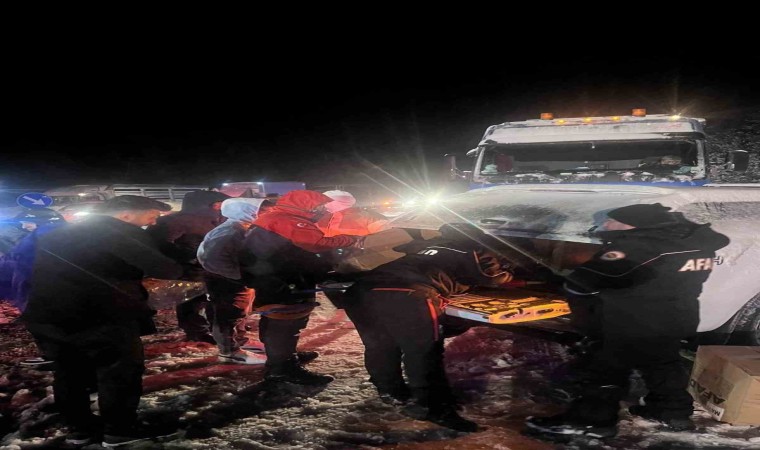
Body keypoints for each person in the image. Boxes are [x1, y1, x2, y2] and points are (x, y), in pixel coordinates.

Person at [526, 203, 730, 438]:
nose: (606, 224)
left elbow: (584, 282)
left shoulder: (636, 248)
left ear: (633, 225)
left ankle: (592, 422)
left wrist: (554, 282)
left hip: (631, 321)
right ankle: (672, 412)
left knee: (605, 370)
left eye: (613, 221)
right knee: (663, 364)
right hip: (677, 317)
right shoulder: (696, 245)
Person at [21, 196, 183, 447]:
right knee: (118, 371)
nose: (153, 221)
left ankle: (79, 430)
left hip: (47, 314)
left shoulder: (59, 232)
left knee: (69, 372)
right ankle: (121, 431)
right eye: (151, 215)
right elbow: (164, 268)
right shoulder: (119, 231)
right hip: (101, 314)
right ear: (126, 215)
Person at [342, 223, 514, 432]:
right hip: (405, 294)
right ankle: (435, 408)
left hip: (360, 292)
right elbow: (490, 277)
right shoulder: (475, 250)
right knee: (424, 353)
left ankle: (391, 392)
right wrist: (510, 274)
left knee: (380, 345)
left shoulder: (431, 244)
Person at [240, 190, 359, 385]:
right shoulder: (289, 221)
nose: (322, 210)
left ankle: (282, 357)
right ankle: (282, 368)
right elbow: (317, 243)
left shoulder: (275, 216)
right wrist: (351, 239)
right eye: (319, 207)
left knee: (277, 319)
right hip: (282, 279)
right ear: (304, 206)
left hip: (270, 276)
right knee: (285, 322)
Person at [147, 190, 231, 344]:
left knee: (214, 300)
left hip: (212, 268)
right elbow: (160, 245)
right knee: (192, 301)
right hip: (190, 270)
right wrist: (190, 256)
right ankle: (196, 331)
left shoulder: (216, 218)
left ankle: (216, 328)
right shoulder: (174, 221)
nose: (221, 207)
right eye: (218, 204)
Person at [197, 198, 272, 365]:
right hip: (227, 281)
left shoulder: (242, 227)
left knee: (240, 314)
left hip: (235, 278)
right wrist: (240, 276)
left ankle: (240, 341)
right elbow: (213, 259)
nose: (266, 214)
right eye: (262, 211)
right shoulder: (230, 231)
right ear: (245, 211)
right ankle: (229, 352)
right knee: (228, 315)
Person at [316, 190, 389, 237]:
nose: (321, 206)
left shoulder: (369, 217)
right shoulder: (323, 219)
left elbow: (385, 238)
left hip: (360, 255)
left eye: (324, 203)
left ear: (335, 202)